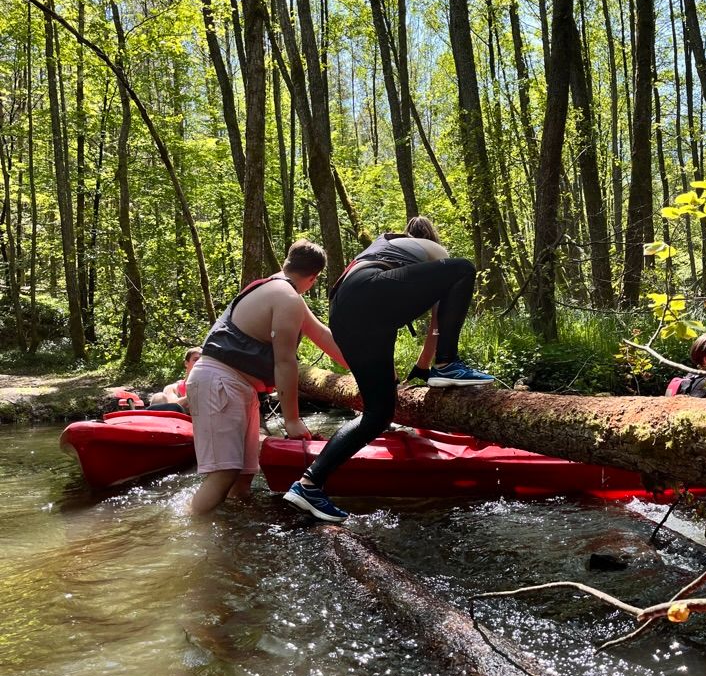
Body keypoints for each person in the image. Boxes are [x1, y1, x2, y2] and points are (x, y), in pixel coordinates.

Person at [283, 216, 494, 523]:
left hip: (342, 312)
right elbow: (438, 322)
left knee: (378, 413)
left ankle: (308, 485)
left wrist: (420, 369)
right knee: (463, 268)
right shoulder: (434, 251)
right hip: (365, 295)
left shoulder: (389, 251)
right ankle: (449, 363)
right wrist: (437, 364)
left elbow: (389, 309)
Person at [186, 239, 347, 515]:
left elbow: (322, 336)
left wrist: (367, 367)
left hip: (235, 386)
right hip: (220, 382)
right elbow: (285, 362)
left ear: (287, 263)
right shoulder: (286, 297)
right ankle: (188, 530)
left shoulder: (280, 291)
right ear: (314, 278)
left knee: (243, 475)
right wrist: (292, 420)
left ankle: (234, 531)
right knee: (224, 473)